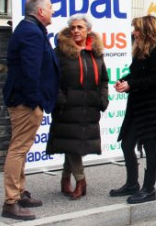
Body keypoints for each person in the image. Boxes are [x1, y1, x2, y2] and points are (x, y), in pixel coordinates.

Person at [110, 15, 156, 204]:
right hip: (139, 104)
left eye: (136, 29)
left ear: (146, 31)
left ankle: (149, 189)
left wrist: (130, 84)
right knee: (127, 143)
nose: (133, 32)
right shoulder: (139, 50)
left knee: (151, 148)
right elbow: (137, 74)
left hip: (154, 107)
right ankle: (132, 184)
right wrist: (125, 81)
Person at [1, 0, 59, 220]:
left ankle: (19, 192)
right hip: (25, 102)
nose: (52, 11)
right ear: (41, 11)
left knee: (21, 148)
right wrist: (36, 101)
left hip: (27, 100)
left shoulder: (32, 30)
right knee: (18, 149)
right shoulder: (30, 32)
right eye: (51, 8)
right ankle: (11, 202)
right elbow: (30, 71)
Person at [46, 14, 109, 200]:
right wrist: (62, 100)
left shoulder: (95, 52)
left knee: (72, 144)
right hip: (67, 108)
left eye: (80, 27)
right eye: (73, 27)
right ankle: (81, 181)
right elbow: (52, 80)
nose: (75, 31)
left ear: (88, 30)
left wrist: (103, 99)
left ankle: (65, 179)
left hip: (89, 108)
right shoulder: (60, 52)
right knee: (73, 144)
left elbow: (104, 79)